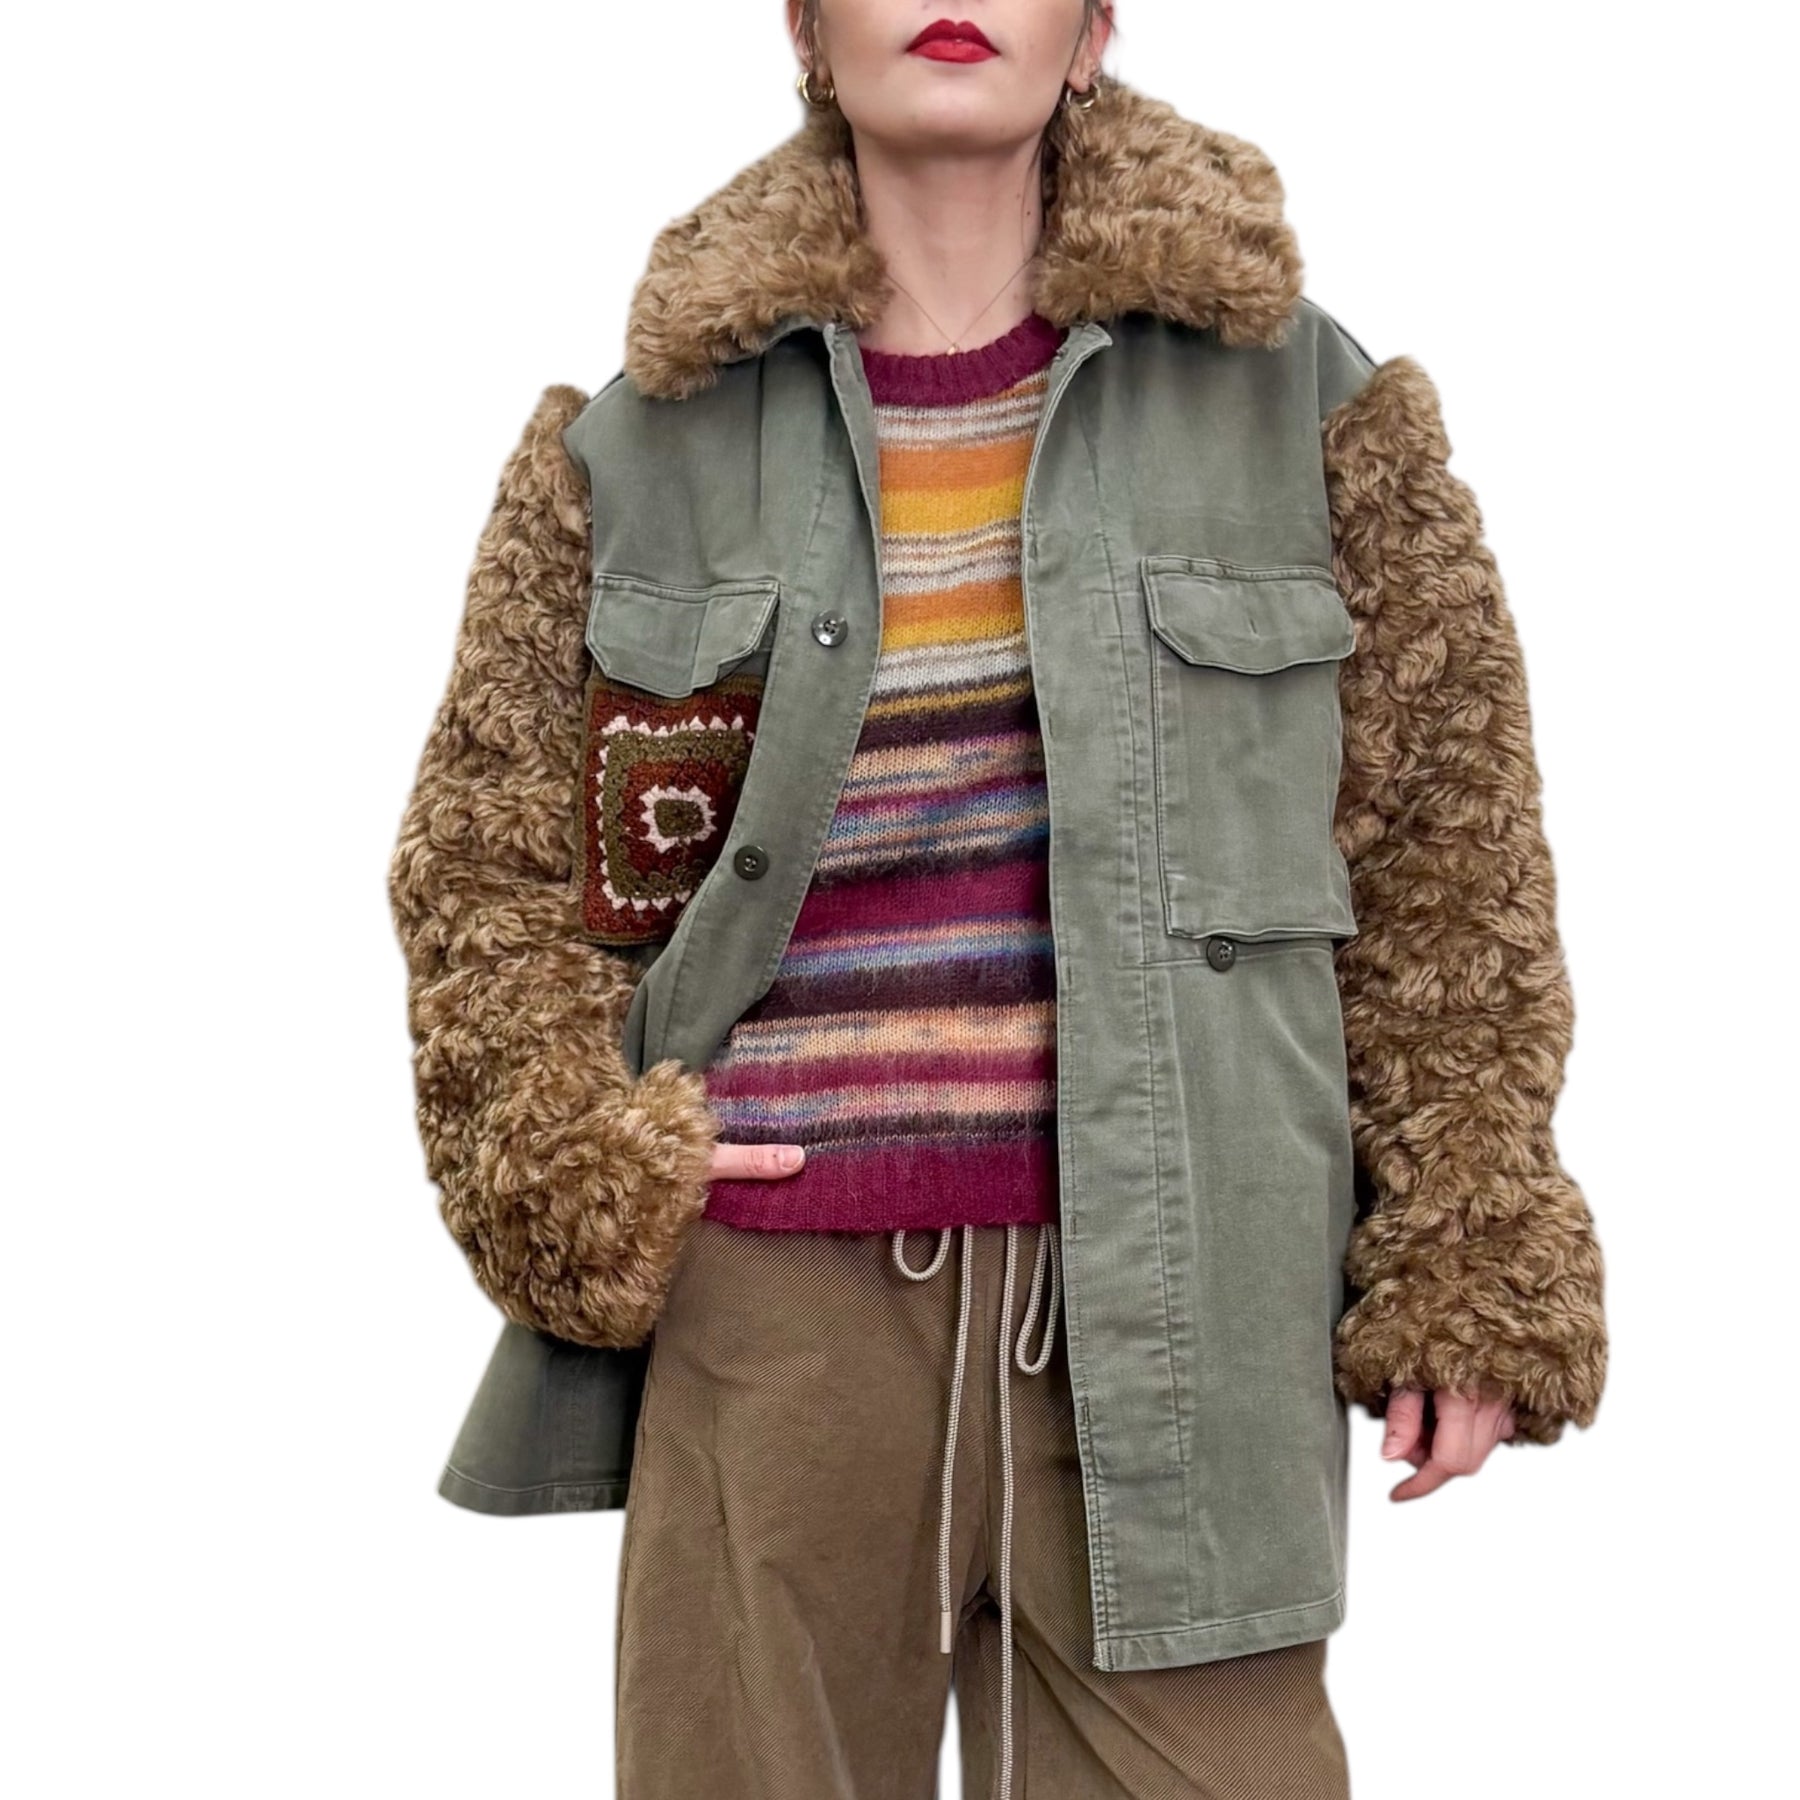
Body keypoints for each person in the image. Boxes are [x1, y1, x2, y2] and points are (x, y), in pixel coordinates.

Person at [385, 4, 1609, 1795]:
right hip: (775, 1320)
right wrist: (579, 1161)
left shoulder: (1306, 409)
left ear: (1094, 26)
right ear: (805, 24)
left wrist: (1466, 1245)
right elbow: (483, 874)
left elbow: (1450, 851)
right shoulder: (637, 449)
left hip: (1184, 1308)